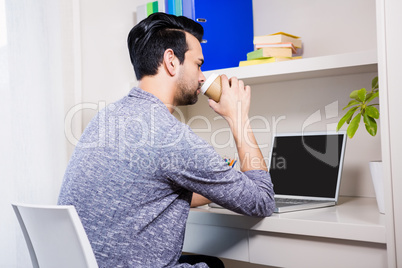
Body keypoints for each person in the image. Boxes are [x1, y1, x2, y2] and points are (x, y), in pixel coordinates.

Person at [58, 12, 275, 267]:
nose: (203, 77)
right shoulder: (170, 136)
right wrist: (238, 116)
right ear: (171, 61)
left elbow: (148, 194)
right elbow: (262, 201)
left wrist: (218, 186)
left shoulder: (105, 119)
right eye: (198, 64)